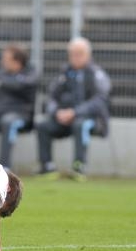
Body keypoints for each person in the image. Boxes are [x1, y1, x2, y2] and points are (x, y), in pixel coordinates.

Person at [36, 37, 111, 181]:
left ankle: (79, 166)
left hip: (91, 120)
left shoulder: (96, 74)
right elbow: (51, 97)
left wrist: (75, 112)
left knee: (80, 124)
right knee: (42, 125)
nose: (75, 58)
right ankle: (47, 166)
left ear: (88, 55)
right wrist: (56, 112)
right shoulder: (64, 74)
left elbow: (100, 100)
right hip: (64, 119)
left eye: (79, 54)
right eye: (72, 54)